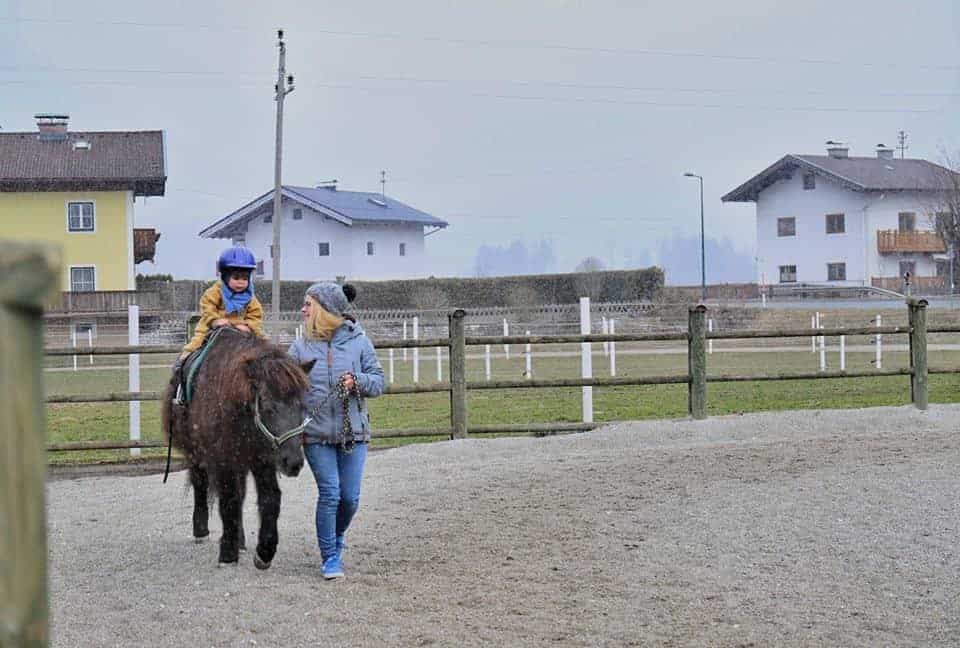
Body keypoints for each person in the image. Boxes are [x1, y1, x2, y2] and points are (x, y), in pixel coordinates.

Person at [288, 282, 385, 579]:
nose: (303, 309)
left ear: (326, 309)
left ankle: (337, 534)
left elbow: (379, 382)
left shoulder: (359, 341)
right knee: (330, 494)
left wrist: (357, 381)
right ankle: (330, 557)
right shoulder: (300, 346)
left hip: (353, 433)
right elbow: (284, 388)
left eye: (308, 304)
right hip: (315, 434)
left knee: (350, 498)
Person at [172, 246, 266, 403]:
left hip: (240, 331)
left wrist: (249, 326)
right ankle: (181, 378)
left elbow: (256, 315)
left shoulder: (250, 297)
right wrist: (215, 320)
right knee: (193, 348)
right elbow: (207, 307)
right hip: (213, 329)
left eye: (244, 278)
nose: (240, 283)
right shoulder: (214, 292)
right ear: (225, 276)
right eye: (236, 277)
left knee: (265, 346)